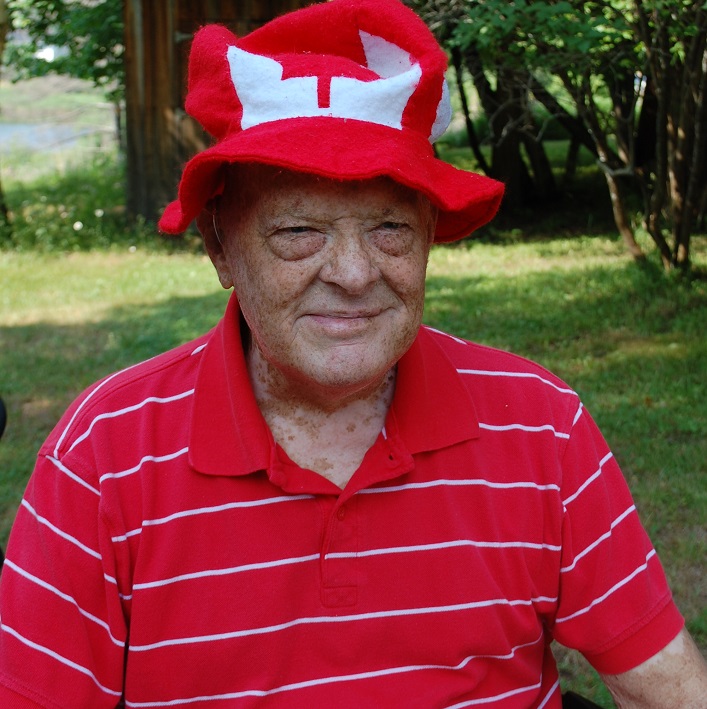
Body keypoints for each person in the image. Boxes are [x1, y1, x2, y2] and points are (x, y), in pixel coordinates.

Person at [0, 0, 705, 706]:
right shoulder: (105, 454)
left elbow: (662, 684)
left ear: (428, 233)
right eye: (298, 231)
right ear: (221, 246)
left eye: (388, 228)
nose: (354, 273)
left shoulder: (539, 422)